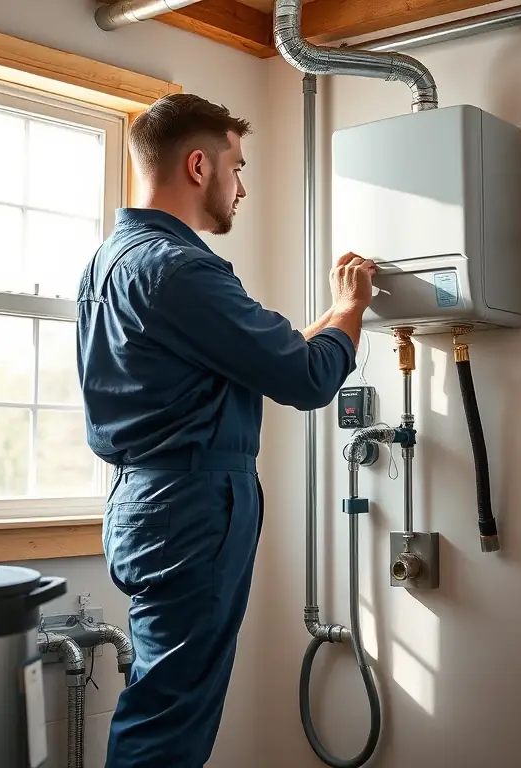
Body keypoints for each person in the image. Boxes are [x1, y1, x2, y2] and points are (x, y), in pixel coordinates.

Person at [75, 92, 377, 767]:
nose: (241, 187)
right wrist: (352, 309)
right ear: (197, 165)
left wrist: (328, 320)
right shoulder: (182, 270)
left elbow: (263, 362)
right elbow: (306, 380)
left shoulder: (112, 262)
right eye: (237, 167)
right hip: (191, 508)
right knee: (171, 721)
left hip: (146, 501)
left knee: (164, 699)